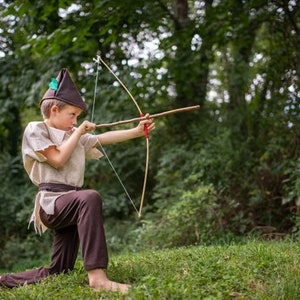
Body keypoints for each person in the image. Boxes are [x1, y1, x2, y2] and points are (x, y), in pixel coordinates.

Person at [0, 68, 155, 293]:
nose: (75, 121)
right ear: (54, 110)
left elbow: (101, 138)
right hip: (52, 204)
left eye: (77, 117)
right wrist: (79, 131)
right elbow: (57, 159)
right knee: (89, 197)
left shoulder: (73, 135)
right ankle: (98, 279)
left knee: (59, 270)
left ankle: (4, 280)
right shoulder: (37, 129)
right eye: (72, 115)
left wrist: (137, 131)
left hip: (71, 205)